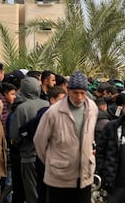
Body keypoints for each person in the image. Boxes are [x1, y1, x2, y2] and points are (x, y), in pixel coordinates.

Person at [34, 72, 98, 203]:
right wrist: (53, 161)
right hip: (59, 178)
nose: (79, 97)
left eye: (82, 93)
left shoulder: (92, 108)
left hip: (84, 177)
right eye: (75, 93)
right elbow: (39, 141)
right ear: (67, 90)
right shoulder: (53, 112)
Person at [10, 77, 50, 203]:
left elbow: (14, 136)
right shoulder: (48, 105)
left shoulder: (22, 109)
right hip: (48, 157)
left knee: (32, 194)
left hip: (28, 157)